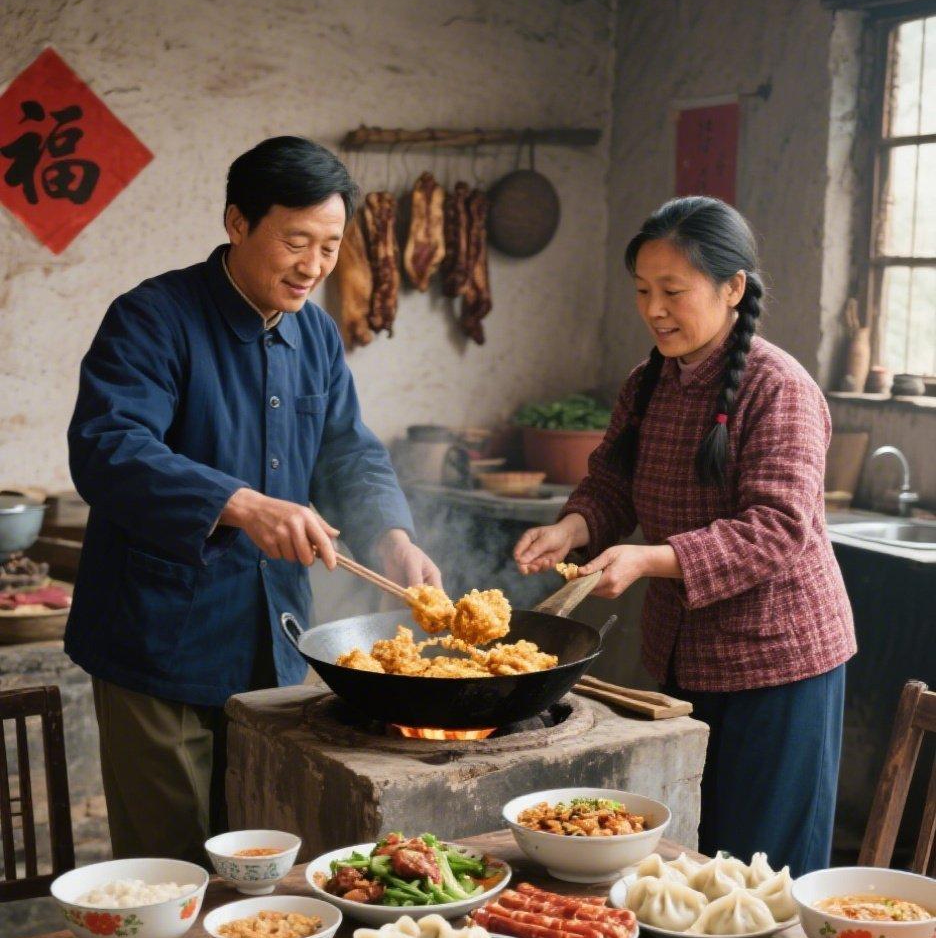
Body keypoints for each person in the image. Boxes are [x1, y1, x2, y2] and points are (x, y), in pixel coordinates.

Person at [66, 136, 440, 862]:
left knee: (260, 867)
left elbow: (346, 451)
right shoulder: (153, 318)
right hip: (158, 646)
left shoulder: (317, 335)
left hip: (271, 644)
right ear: (238, 223)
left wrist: (390, 534)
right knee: (168, 869)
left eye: (330, 246)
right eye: (296, 241)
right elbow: (108, 448)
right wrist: (238, 502)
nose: (314, 265)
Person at [515, 196, 855, 875]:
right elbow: (612, 484)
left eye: (673, 290)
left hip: (778, 662)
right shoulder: (647, 384)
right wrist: (572, 527)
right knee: (697, 853)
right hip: (685, 657)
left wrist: (651, 558)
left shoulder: (777, 386)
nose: (654, 308)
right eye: (643, 290)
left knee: (763, 867)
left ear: (733, 288)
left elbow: (778, 527)